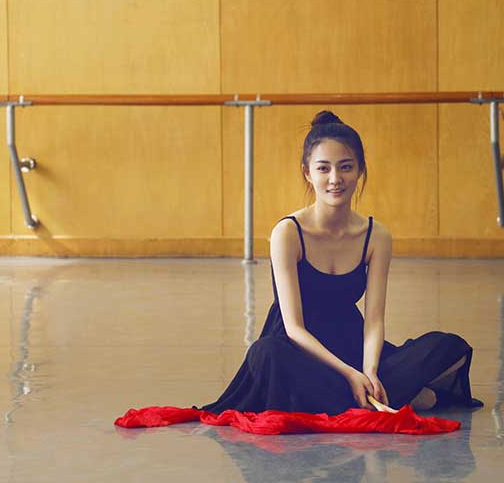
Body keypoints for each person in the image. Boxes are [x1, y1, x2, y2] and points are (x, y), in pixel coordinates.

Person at [196, 111, 483, 415]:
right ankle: (381, 397)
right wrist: (349, 374)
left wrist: (369, 371)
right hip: (299, 351)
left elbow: (374, 321)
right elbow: (294, 328)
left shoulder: (376, 236)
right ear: (307, 173)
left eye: (346, 167)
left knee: (447, 346)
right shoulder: (287, 233)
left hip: (353, 345)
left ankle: (354, 397)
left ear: (360, 170)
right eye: (324, 168)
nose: (335, 179)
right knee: (265, 355)